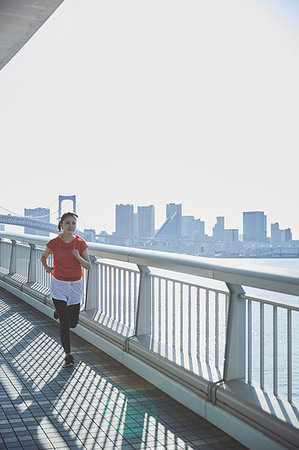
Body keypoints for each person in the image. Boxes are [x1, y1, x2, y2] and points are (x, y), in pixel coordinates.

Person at [41, 212, 91, 367]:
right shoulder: (54, 243)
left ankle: (59, 310)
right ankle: (68, 355)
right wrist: (47, 266)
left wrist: (78, 257)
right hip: (59, 284)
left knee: (73, 323)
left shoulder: (80, 243)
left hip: (75, 285)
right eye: (68, 223)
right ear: (61, 225)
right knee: (64, 322)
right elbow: (43, 257)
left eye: (73, 223)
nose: (71, 226)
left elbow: (88, 265)